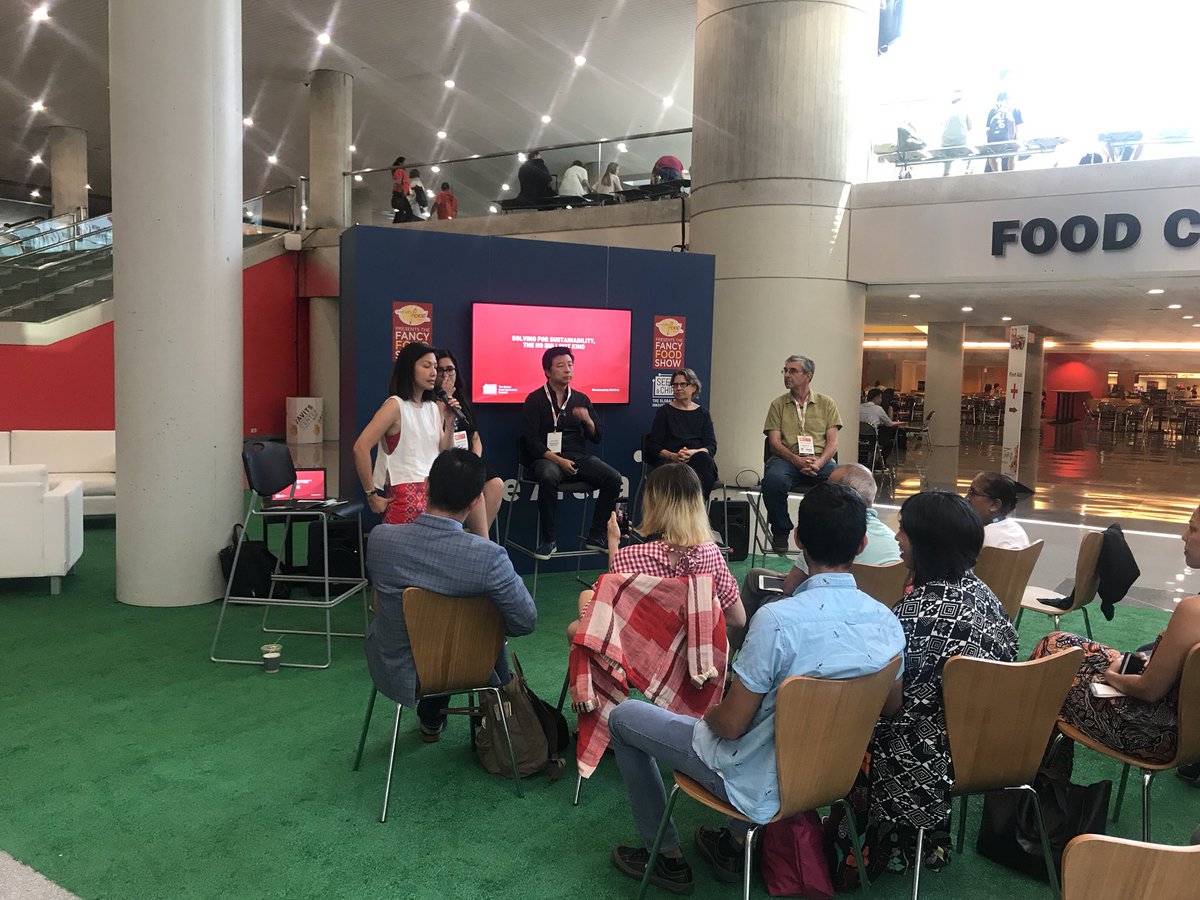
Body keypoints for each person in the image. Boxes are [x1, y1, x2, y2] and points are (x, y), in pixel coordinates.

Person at [604, 482, 905, 893]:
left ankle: (667, 858)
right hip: (833, 775)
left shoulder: (778, 620)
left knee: (624, 718)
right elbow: (890, 706)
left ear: (797, 539)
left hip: (760, 779)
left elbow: (730, 727)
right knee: (761, 729)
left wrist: (708, 708)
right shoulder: (886, 622)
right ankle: (729, 844)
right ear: (862, 543)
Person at [853, 490, 1016, 878]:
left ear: (926, 545)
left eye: (904, 531)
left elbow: (891, 705)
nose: (896, 537)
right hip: (986, 746)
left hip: (919, 758)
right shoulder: (987, 597)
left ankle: (868, 844)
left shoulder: (912, 615)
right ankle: (930, 839)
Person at [364, 449, 537, 741]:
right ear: (475, 501)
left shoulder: (381, 541)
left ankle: (434, 720)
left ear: (427, 485)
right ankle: (502, 718)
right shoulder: (489, 558)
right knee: (488, 624)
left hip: (399, 670)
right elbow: (525, 622)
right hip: (469, 666)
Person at [1032, 501, 1200, 775]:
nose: (1184, 536)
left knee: (1050, 674)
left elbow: (1148, 690)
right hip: (1190, 729)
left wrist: (1112, 676)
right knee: (1057, 643)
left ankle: (1045, 786)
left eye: (1192, 529)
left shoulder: (1192, 611)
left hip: (1158, 734)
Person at [568, 463, 745, 639]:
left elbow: (609, 607)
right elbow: (738, 618)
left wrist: (613, 543)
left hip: (639, 657)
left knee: (580, 617)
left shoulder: (631, 556)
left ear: (653, 503)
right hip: (692, 659)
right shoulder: (712, 554)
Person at [735, 463, 900, 648]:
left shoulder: (821, 529)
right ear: (861, 545)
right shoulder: (894, 540)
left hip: (815, 614)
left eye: (827, 486)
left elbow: (790, 588)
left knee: (759, 587)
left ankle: (731, 655)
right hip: (869, 619)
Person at [520, 346, 622, 558]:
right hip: (545, 457)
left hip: (576, 456)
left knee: (613, 478)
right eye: (560, 366)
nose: (567, 370)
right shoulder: (535, 399)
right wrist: (558, 460)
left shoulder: (581, 399)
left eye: (570, 365)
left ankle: (596, 534)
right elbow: (531, 442)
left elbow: (596, 437)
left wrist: (587, 421)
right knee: (548, 475)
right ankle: (549, 540)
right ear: (548, 371)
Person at [353, 341, 456, 525]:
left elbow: (444, 450)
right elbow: (361, 447)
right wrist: (371, 494)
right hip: (405, 495)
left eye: (435, 367)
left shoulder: (433, 407)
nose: (433, 373)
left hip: (434, 494)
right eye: (426, 366)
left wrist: (449, 421)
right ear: (409, 368)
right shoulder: (395, 406)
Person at [762, 354, 842, 553]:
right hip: (786, 458)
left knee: (843, 482)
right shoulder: (777, 404)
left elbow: (833, 443)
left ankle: (825, 530)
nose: (787, 375)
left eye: (793, 371)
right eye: (785, 370)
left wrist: (819, 462)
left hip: (819, 459)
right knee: (772, 481)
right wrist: (797, 461)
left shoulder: (827, 403)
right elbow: (774, 443)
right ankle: (781, 530)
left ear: (808, 375)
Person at [434, 347, 502, 537]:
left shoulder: (463, 399)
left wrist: (474, 459)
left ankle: (475, 540)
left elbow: (474, 436)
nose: (446, 375)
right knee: (475, 493)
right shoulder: (430, 401)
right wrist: (444, 399)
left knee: (496, 484)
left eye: (450, 369)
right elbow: (437, 436)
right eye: (441, 370)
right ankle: (475, 541)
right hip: (443, 458)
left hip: (467, 456)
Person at [645, 368, 718, 499]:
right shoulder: (665, 412)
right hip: (671, 461)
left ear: (694, 387)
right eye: (675, 385)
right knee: (675, 473)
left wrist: (693, 453)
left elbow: (711, 446)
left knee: (704, 460)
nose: (678, 388)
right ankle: (682, 510)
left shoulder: (703, 414)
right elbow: (653, 446)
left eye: (683, 384)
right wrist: (673, 456)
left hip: (697, 461)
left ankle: (695, 506)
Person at [965, 471, 1031, 549]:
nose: (966, 498)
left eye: (973, 493)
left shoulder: (982, 537)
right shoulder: (1019, 531)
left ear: (995, 505)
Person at [985, 92, 1023, 172]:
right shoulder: (1015, 109)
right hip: (1009, 140)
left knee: (992, 155)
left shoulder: (993, 110)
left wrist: (989, 142)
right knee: (1012, 154)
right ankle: (1010, 173)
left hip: (994, 141)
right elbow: (1017, 129)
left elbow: (988, 130)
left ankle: (995, 173)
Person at [859, 388, 901, 460]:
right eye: (880, 398)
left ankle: (863, 460)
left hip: (859, 437)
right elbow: (889, 424)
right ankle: (881, 462)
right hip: (872, 438)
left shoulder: (860, 407)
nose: (881, 400)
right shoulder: (878, 409)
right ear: (876, 398)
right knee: (889, 442)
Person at [939, 90, 972, 176]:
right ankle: (968, 171)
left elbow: (941, 125)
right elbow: (970, 127)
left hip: (945, 142)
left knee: (947, 159)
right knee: (970, 155)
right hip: (961, 141)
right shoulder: (965, 108)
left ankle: (946, 173)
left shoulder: (945, 109)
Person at [391, 156, 416, 223]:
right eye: (404, 163)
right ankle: (401, 226)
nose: (406, 165)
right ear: (400, 163)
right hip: (399, 194)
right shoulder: (399, 170)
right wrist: (404, 190)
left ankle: (398, 227)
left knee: (401, 212)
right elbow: (398, 181)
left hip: (401, 195)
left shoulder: (400, 171)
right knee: (408, 212)